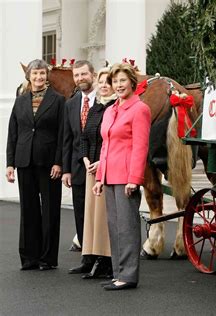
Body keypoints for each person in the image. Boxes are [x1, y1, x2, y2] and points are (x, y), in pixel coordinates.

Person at [93, 63, 151, 290]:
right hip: (109, 174)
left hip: (126, 176)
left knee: (127, 226)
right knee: (115, 225)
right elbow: (105, 146)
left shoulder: (140, 109)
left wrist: (134, 179)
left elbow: (140, 146)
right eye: (114, 81)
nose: (118, 85)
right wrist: (99, 178)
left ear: (132, 83)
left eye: (122, 81)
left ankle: (128, 275)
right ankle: (118, 273)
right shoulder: (110, 110)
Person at [6, 59, 64, 270]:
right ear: (28, 76)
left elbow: (62, 134)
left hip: (49, 163)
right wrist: (10, 163)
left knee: (50, 211)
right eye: (35, 74)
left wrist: (59, 162)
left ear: (46, 76)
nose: (38, 78)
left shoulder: (58, 100)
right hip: (24, 161)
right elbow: (12, 133)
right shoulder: (20, 101)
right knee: (28, 210)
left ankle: (47, 259)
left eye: (42, 74)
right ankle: (29, 257)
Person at [79, 67, 116, 279]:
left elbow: (112, 141)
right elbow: (84, 137)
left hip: (106, 168)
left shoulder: (114, 108)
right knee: (91, 216)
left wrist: (101, 162)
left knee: (103, 217)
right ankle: (92, 256)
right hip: (90, 168)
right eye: (101, 81)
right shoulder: (95, 108)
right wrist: (86, 160)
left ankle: (106, 260)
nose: (103, 85)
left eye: (107, 82)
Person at [62, 60, 97, 273]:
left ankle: (101, 258)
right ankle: (86, 258)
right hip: (76, 167)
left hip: (98, 165)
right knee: (81, 214)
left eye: (84, 74)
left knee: (98, 214)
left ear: (92, 74)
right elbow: (67, 139)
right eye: (76, 75)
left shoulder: (104, 101)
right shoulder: (71, 104)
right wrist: (66, 169)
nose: (80, 78)